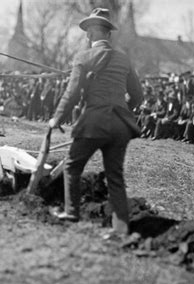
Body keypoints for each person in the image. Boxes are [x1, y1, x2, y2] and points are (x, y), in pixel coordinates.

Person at [48, 8, 143, 237]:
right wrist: (121, 108)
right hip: (120, 125)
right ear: (108, 35)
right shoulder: (124, 59)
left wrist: (56, 119)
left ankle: (72, 213)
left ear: (89, 35)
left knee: (72, 166)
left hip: (94, 123)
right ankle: (120, 229)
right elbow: (138, 96)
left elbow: (71, 94)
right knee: (115, 176)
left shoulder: (83, 58)